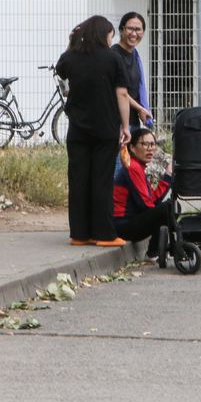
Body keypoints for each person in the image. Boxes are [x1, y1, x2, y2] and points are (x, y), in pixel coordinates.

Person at [56, 15, 132, 247]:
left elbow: (61, 71)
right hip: (105, 128)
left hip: (77, 129)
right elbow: (121, 94)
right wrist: (126, 126)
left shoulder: (71, 57)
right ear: (103, 34)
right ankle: (104, 234)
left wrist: (72, 42)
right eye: (110, 34)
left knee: (78, 180)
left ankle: (79, 234)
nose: (112, 39)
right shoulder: (113, 58)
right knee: (101, 180)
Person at [113, 128, 172, 258]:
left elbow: (152, 201)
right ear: (132, 148)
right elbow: (146, 205)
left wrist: (168, 176)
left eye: (152, 144)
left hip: (129, 222)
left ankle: (156, 250)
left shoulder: (139, 167)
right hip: (122, 225)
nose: (150, 148)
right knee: (166, 209)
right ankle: (153, 252)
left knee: (167, 207)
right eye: (145, 144)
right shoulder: (133, 168)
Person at [112, 12, 152, 130]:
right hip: (116, 123)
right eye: (130, 29)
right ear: (122, 30)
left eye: (138, 29)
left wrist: (143, 109)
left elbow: (140, 87)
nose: (134, 34)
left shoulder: (135, 54)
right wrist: (140, 108)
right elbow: (118, 91)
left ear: (143, 32)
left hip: (133, 122)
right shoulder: (113, 55)